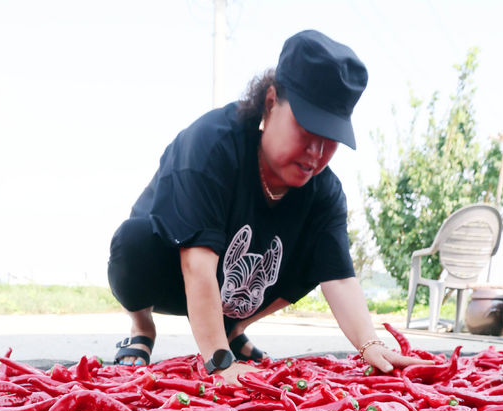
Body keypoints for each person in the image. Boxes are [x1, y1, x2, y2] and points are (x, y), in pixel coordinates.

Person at [107, 28, 421, 382]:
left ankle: (234, 328)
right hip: (170, 272)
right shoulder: (211, 145)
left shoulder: (324, 191)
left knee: (321, 251)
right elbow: (196, 264)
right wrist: (218, 361)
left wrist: (370, 344)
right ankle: (141, 326)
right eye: (306, 130)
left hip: (239, 291)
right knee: (130, 241)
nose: (316, 154)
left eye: (329, 140)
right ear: (271, 101)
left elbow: (340, 278)